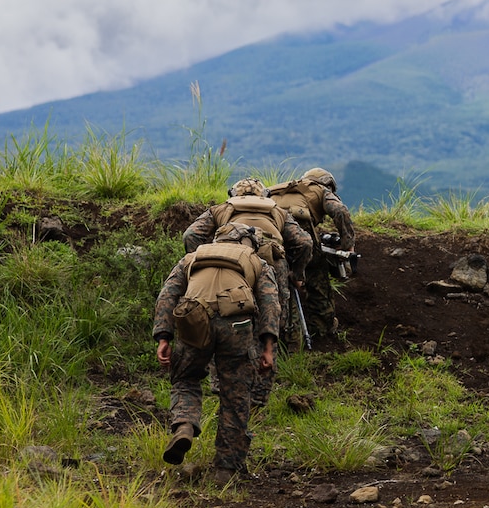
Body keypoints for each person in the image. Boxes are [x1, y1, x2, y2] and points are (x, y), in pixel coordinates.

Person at [152, 224, 281, 484]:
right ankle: (226, 469)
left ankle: (185, 425)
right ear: (248, 242)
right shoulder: (256, 262)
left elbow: (167, 295)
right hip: (237, 325)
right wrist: (268, 349)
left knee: (185, 377)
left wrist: (163, 337)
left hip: (194, 319)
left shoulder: (192, 257)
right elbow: (270, 305)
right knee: (235, 394)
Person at [182, 178, 311, 407]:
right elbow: (304, 243)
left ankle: (221, 384)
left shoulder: (222, 209)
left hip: (232, 266)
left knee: (225, 315)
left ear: (232, 194)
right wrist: (297, 274)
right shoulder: (278, 211)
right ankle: (260, 394)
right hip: (271, 265)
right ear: (265, 195)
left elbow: (190, 236)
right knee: (270, 322)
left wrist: (201, 261)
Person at [268, 168, 355, 341]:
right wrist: (348, 246)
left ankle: (282, 332)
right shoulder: (321, 190)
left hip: (270, 232)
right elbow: (340, 212)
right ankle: (322, 327)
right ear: (327, 183)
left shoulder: (278, 189)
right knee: (316, 271)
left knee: (277, 278)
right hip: (299, 232)